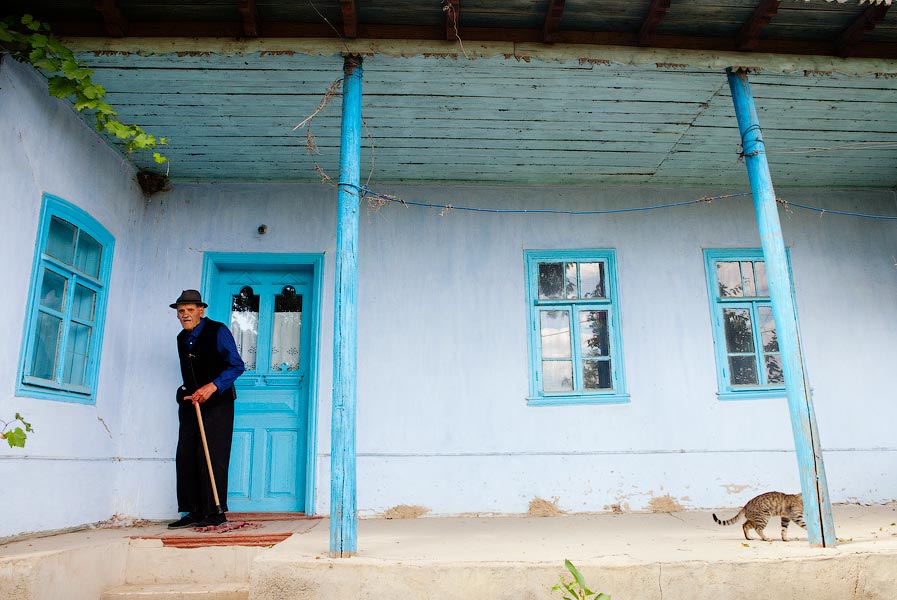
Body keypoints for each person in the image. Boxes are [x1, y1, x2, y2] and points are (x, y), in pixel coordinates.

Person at [168, 289, 245, 529]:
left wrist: (212, 387)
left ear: (201, 311)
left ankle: (216, 511)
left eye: (190, 310)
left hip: (217, 403)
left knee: (211, 455)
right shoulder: (182, 338)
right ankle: (194, 511)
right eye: (181, 311)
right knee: (187, 455)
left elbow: (236, 366)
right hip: (192, 403)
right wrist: (187, 392)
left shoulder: (218, 331)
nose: (185, 315)